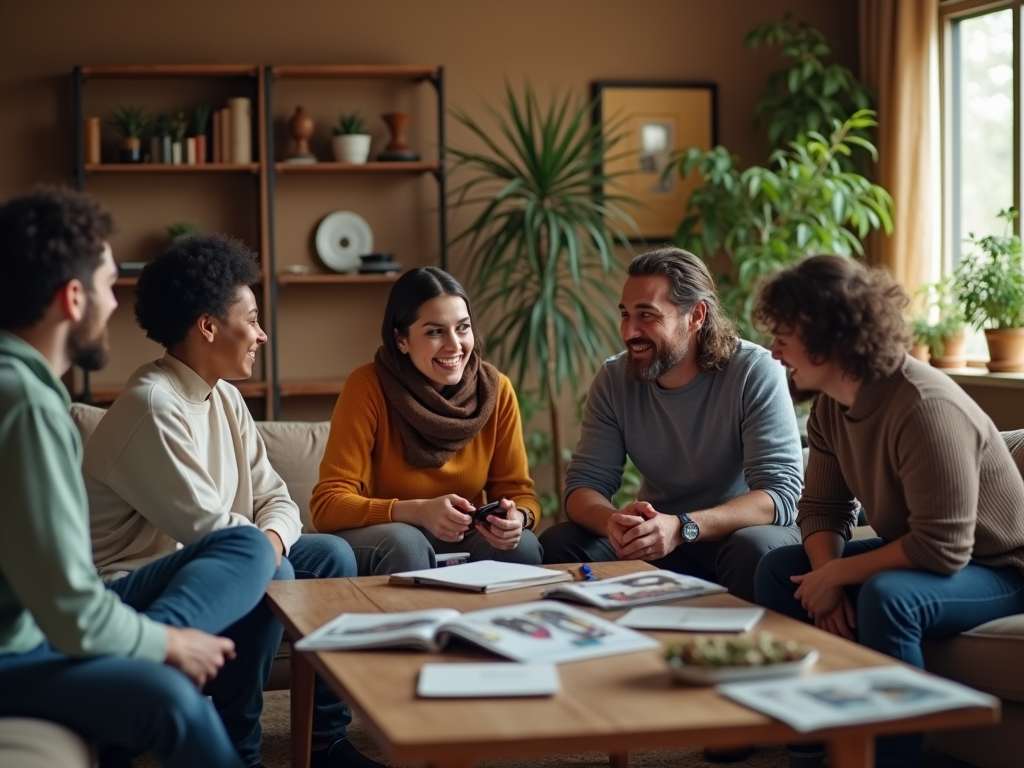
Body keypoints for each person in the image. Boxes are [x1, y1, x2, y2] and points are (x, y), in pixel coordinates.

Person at [0, 187, 280, 768]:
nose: (116, 302)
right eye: (108, 285)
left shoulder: (26, 388)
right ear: (72, 298)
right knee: (175, 703)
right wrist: (168, 643)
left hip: (44, 621)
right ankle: (146, 670)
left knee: (248, 544)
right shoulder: (23, 401)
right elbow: (68, 607)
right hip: (17, 647)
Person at [82, 234, 379, 768]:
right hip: (131, 586)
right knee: (276, 574)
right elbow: (208, 533)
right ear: (208, 326)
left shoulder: (224, 396)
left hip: (211, 563)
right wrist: (266, 550)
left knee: (332, 555)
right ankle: (239, 754)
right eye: (254, 319)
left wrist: (269, 540)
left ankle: (323, 741)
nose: (262, 335)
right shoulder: (152, 405)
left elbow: (277, 498)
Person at [752, 255, 1024, 768]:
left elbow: (942, 549)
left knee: (887, 595)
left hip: (999, 567)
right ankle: (812, 749)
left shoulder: (924, 405)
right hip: (933, 556)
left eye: (786, 335)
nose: (775, 350)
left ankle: (890, 759)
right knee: (778, 570)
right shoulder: (832, 404)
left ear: (832, 335)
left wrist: (839, 573)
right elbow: (822, 508)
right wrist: (822, 578)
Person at [540, 247, 804, 604]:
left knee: (754, 547)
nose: (629, 331)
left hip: (736, 536)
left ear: (695, 315)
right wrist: (614, 523)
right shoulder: (614, 378)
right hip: (663, 542)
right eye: (625, 314)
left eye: (646, 315)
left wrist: (683, 526)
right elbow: (583, 486)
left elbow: (781, 495)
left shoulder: (754, 371)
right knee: (561, 541)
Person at [310, 266, 543, 574]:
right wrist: (417, 512)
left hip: (462, 534)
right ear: (401, 340)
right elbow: (328, 505)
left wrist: (519, 518)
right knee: (407, 543)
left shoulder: (496, 390)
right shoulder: (367, 387)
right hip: (387, 535)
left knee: (522, 546)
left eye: (462, 328)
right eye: (435, 332)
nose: (454, 345)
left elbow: (519, 493)